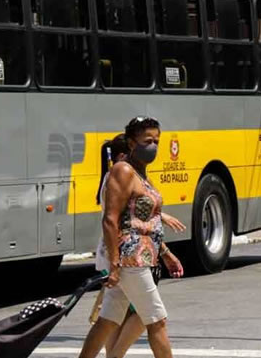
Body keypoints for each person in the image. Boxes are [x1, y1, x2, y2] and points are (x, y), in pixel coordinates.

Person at [80, 117, 184, 358]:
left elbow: (146, 223)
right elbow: (110, 220)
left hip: (139, 259)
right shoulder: (123, 171)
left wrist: (166, 254)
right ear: (130, 142)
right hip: (130, 262)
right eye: (147, 141)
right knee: (157, 321)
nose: (154, 146)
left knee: (107, 321)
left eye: (157, 141)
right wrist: (115, 265)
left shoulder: (140, 174)